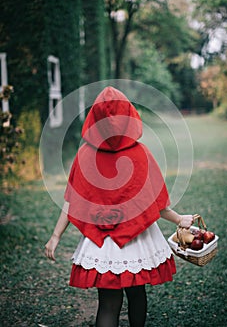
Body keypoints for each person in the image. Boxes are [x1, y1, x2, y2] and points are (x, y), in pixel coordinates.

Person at [45, 86, 193, 327]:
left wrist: (55, 236)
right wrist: (179, 219)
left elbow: (72, 202)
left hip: (102, 246)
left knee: (108, 303)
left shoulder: (84, 155)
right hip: (138, 241)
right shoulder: (141, 154)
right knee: (137, 295)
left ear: (95, 120)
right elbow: (157, 205)